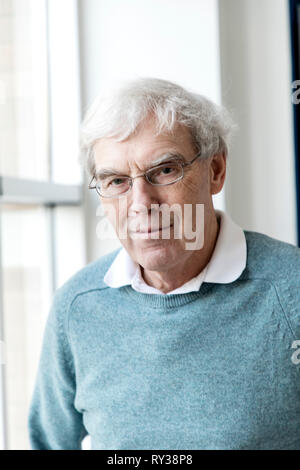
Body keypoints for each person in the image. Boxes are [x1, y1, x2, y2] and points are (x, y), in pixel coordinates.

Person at [28, 77, 300, 450]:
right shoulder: (76, 308)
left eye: (165, 170)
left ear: (216, 170)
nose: (141, 203)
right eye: (117, 181)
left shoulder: (292, 288)